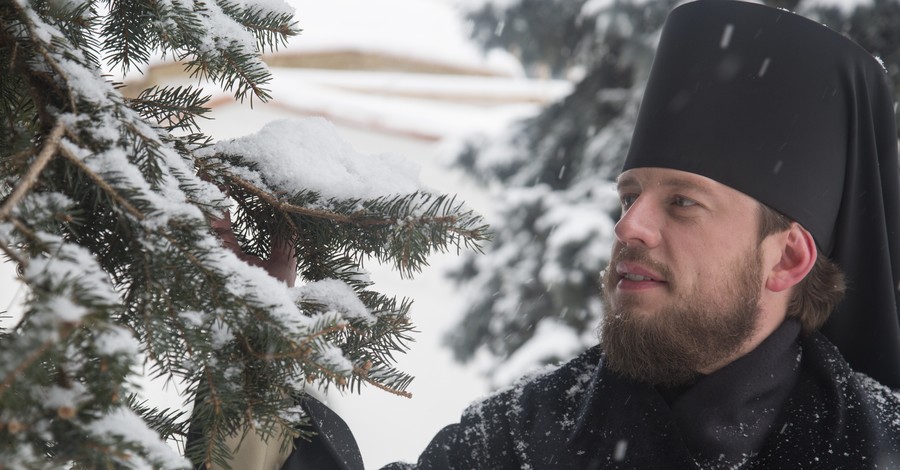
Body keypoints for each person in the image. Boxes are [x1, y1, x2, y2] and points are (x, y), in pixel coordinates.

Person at [204, 0, 900, 468]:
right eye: (630, 196)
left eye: (683, 203)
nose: (629, 225)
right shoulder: (521, 438)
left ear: (788, 258)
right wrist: (251, 350)